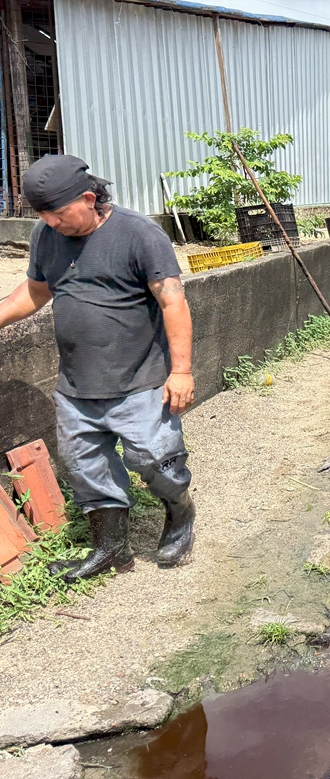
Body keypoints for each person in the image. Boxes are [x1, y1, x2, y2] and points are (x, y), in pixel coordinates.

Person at [0, 155, 196, 580]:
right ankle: (111, 550)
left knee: (156, 462)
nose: (51, 223)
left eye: (58, 213)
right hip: (77, 385)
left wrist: (181, 371)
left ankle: (181, 516)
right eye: (42, 215)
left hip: (141, 380)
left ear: (89, 198)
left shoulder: (139, 233)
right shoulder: (46, 234)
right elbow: (34, 292)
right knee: (85, 468)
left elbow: (172, 301)